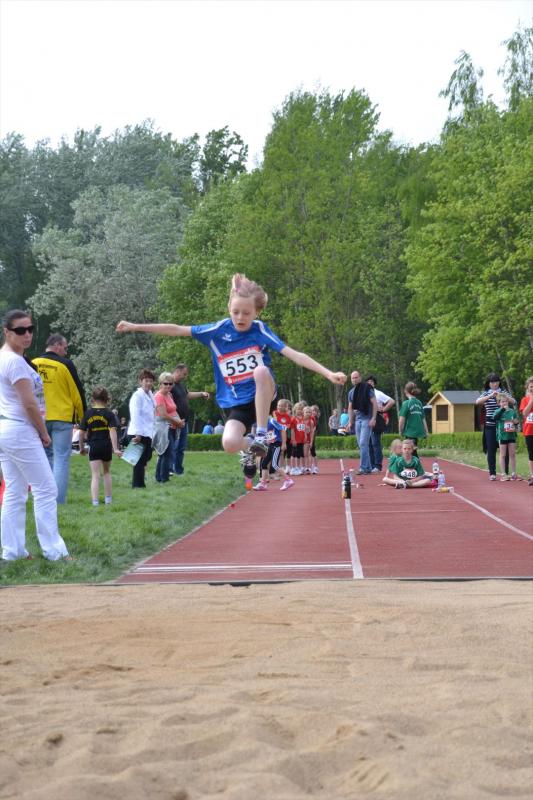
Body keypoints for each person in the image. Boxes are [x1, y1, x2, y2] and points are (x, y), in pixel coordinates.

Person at [116, 273, 346, 480]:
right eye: (236, 312)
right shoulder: (217, 331)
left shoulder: (259, 330)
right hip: (238, 403)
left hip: (264, 394)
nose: (240, 317)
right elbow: (177, 329)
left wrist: (328, 373)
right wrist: (135, 326)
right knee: (228, 443)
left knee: (261, 371)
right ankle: (249, 448)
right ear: (228, 307)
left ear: (256, 312)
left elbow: (294, 354)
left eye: (246, 313)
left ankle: (261, 435)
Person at [0, 309, 70, 561]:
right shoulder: (15, 362)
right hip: (20, 429)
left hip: (7, 429)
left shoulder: (5, 358)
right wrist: (43, 432)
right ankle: (55, 551)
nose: (27, 334)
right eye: (20, 330)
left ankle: (13, 552)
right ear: (7, 331)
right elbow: (29, 403)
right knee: (46, 489)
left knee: (15, 491)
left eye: (30, 329)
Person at [33, 333, 86, 504]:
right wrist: (83, 418)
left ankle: (45, 500)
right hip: (62, 418)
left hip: (39, 418)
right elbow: (77, 393)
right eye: (65, 347)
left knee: (45, 458)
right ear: (56, 345)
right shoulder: (65, 364)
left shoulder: (33, 364)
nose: (66, 351)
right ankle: (58, 501)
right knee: (61, 459)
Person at [78, 386, 122, 505]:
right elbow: (112, 431)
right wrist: (115, 448)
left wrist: (81, 448)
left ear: (93, 399)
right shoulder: (109, 414)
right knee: (106, 472)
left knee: (95, 475)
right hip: (106, 446)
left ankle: (95, 502)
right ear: (107, 399)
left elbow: (81, 433)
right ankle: (108, 500)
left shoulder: (88, 414)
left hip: (94, 446)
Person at [169, 364, 210, 475]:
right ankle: (169, 470)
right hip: (175, 422)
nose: (185, 376)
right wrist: (175, 419)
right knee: (174, 447)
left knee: (181, 448)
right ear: (177, 371)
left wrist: (201, 393)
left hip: (184, 422)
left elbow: (188, 395)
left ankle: (178, 470)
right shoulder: (168, 384)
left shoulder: (181, 385)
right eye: (184, 374)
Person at [475, 373, 516, 481]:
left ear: (499, 382)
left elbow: (514, 402)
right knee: (491, 449)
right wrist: (490, 396)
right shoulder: (486, 393)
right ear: (489, 383)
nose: (495, 384)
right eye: (492, 382)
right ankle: (492, 473)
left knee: (505, 450)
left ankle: (505, 472)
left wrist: (504, 396)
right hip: (490, 425)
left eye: (497, 381)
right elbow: (477, 401)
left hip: (503, 426)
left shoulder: (504, 391)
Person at [127, 369, 156, 488]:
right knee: (138, 461)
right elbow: (135, 415)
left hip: (148, 432)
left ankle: (140, 483)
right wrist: (137, 434)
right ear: (140, 381)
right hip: (138, 432)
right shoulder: (137, 396)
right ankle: (137, 485)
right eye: (146, 381)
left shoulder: (150, 395)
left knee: (145, 459)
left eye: (151, 381)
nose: (148, 383)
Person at [347, 371, 378, 475]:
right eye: (352, 378)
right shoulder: (351, 392)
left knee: (363, 443)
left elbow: (375, 403)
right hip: (357, 420)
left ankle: (363, 467)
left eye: (356, 377)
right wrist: (350, 421)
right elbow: (350, 408)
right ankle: (368, 467)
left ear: (360, 378)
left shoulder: (367, 388)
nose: (354, 379)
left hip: (367, 419)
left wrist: (373, 418)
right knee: (362, 445)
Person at [253, 415, 294, 492]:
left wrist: (284, 443)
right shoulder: (261, 424)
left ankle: (288, 480)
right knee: (264, 464)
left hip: (276, 445)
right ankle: (263, 484)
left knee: (274, 464)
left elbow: (283, 430)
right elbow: (266, 435)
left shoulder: (272, 421)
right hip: (270, 445)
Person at [365, 375, 395, 473]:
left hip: (376, 419)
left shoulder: (378, 393)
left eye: (372, 382)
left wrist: (383, 410)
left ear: (374, 384)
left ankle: (377, 465)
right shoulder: (364, 393)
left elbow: (391, 401)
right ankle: (371, 465)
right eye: (368, 382)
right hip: (366, 419)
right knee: (368, 443)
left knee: (375, 442)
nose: (370, 383)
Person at [493, 394, 520, 481]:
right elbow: (495, 418)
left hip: (511, 435)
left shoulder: (512, 411)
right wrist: (502, 409)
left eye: (506, 401)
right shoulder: (498, 411)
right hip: (502, 435)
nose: (505, 403)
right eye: (503, 401)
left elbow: (516, 422)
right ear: (499, 403)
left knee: (512, 454)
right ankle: (503, 474)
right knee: (503, 455)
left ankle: (514, 473)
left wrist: (515, 422)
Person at [398, 382, 428, 456]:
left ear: (405, 391)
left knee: (409, 452)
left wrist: (400, 431)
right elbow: (423, 419)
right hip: (417, 432)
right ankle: (414, 462)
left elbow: (401, 420)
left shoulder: (406, 403)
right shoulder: (419, 403)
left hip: (409, 432)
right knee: (412, 451)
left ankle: (416, 463)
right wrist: (426, 432)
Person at [519, 376, 533, 486]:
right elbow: (524, 413)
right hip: (529, 431)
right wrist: (532, 400)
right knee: (531, 454)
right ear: (527, 388)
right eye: (531, 386)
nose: (532, 388)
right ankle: (532, 476)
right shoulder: (524, 400)